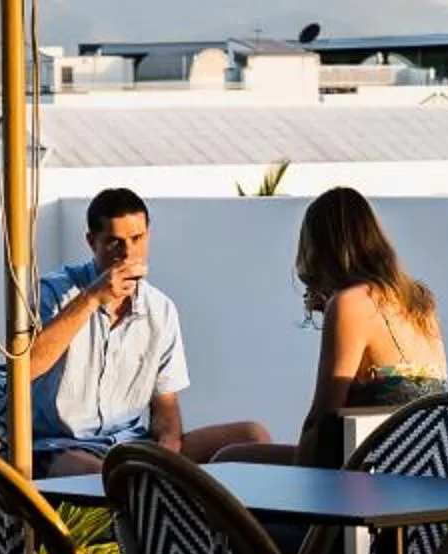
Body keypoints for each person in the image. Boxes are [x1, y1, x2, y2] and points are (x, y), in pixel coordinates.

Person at [24, 187, 269, 475]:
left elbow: (165, 406)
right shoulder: (53, 292)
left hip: (132, 445)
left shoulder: (160, 310)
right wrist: (92, 297)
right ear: (92, 243)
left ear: (148, 236)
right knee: (103, 474)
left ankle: (203, 514)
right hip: (62, 447)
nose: (128, 252)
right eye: (115, 242)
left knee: (254, 438)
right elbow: (26, 366)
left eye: (137, 239)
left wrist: (166, 450)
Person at [219, 187, 448, 465]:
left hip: (363, 475)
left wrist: (296, 485)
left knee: (229, 459)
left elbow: (322, 418)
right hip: (413, 466)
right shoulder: (420, 302)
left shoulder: (352, 303)